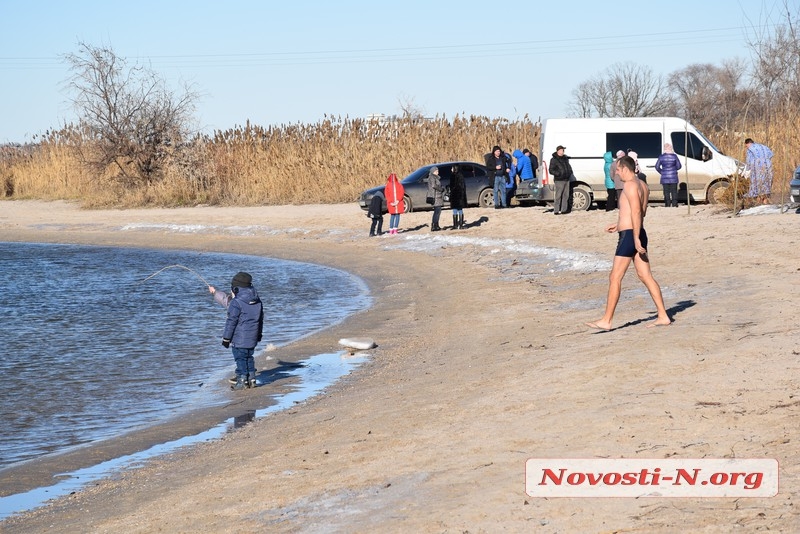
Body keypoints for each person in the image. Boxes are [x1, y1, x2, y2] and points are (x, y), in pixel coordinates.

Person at [586, 156, 671, 330]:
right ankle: (663, 315)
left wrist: (635, 238)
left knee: (615, 277)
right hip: (635, 233)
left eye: (617, 169)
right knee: (645, 276)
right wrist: (619, 225)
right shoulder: (643, 186)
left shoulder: (630, 185)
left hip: (631, 237)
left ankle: (607, 320)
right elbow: (639, 212)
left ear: (625, 168)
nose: (616, 173)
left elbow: (637, 213)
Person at [208, 272, 264, 390]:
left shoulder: (236, 302)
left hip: (239, 339)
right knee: (249, 357)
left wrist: (226, 338)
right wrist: (258, 335)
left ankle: (242, 381)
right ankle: (252, 379)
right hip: (252, 338)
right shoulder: (257, 300)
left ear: (236, 288)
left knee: (240, 358)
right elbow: (260, 319)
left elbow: (231, 321)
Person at [744, 138, 774, 205]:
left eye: (746, 146)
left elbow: (749, 160)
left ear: (748, 143)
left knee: (757, 183)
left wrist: (747, 170)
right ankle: (765, 200)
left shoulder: (750, 149)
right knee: (767, 181)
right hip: (768, 165)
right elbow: (771, 154)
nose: (746, 147)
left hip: (757, 166)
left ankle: (759, 201)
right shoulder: (763, 146)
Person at [655, 143, 682, 207]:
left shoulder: (661, 156)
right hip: (674, 177)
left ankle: (667, 205)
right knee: (674, 192)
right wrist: (674, 169)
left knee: (666, 192)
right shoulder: (674, 156)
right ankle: (674, 205)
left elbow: (657, 167)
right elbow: (679, 166)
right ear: (671, 148)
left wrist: (662, 172)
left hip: (664, 177)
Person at [549, 145, 573, 214]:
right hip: (559, 180)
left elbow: (568, 167)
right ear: (558, 151)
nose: (563, 151)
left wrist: (569, 172)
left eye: (563, 150)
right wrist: (559, 173)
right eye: (562, 150)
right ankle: (556, 210)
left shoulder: (565, 158)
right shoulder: (554, 160)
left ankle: (564, 210)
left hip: (566, 179)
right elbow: (551, 170)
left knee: (566, 196)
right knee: (558, 196)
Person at [449, 164, 468, 229]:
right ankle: (459, 225)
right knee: (458, 209)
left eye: (452, 168)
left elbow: (453, 186)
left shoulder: (453, 176)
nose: (451, 169)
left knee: (457, 209)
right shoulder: (460, 175)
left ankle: (456, 225)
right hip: (459, 195)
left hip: (456, 195)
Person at [426, 166, 444, 231]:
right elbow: (434, 185)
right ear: (433, 171)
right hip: (435, 197)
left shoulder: (435, 177)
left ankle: (436, 225)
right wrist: (441, 189)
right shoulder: (432, 177)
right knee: (437, 211)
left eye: (438, 171)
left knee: (438, 212)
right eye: (436, 171)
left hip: (438, 196)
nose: (438, 172)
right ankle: (434, 226)